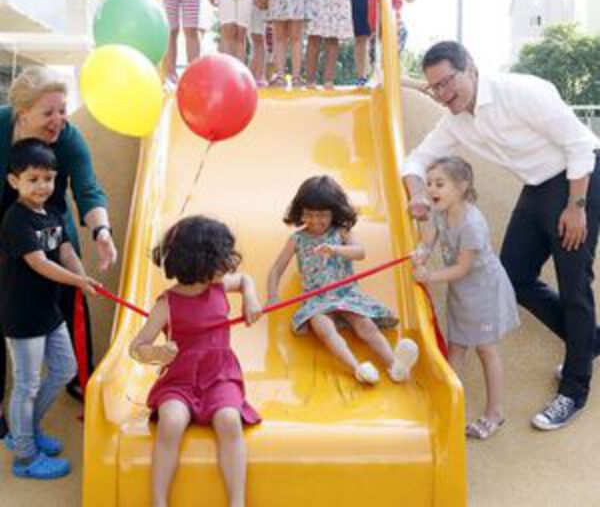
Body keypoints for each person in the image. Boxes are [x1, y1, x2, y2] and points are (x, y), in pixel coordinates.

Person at [402, 40, 600, 431]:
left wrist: (576, 207)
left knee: (574, 284)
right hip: (537, 186)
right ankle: (588, 342)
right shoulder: (455, 120)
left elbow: (580, 144)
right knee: (514, 276)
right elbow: (416, 160)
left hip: (580, 178)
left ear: (470, 68)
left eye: (448, 82)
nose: (442, 94)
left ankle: (574, 390)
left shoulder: (522, 91)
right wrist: (418, 194)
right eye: (435, 87)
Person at [0, 67, 117, 436]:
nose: (59, 120)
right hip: (6, 228)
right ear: (22, 113)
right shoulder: (2, 127)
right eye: (48, 112)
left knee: (68, 301)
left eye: (63, 110)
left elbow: (88, 188)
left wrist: (101, 230)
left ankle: (79, 377)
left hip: (51, 229)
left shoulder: (67, 138)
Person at [129, 216, 262, 507]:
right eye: (221, 259)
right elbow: (136, 348)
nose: (229, 264)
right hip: (179, 381)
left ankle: (237, 501)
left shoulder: (219, 286)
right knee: (171, 422)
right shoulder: (166, 304)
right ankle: (158, 501)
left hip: (220, 376)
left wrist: (250, 299)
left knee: (229, 420)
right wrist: (157, 353)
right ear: (198, 262)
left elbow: (245, 281)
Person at [0, 140, 98, 479]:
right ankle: (25, 457)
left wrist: (83, 278)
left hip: (48, 311)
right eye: (33, 179)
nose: (42, 186)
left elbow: (66, 251)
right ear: (14, 181)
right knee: (27, 385)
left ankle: (25, 431)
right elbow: (39, 263)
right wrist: (77, 281)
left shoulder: (52, 213)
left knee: (64, 368)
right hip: (23, 315)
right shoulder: (16, 220)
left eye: (48, 178)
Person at [267, 175, 419, 384]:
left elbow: (360, 252)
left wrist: (335, 249)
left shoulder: (341, 232)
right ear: (300, 212)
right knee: (324, 329)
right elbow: (276, 269)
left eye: (322, 215)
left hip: (346, 294)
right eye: (309, 214)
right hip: (316, 299)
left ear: (334, 212)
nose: (315, 221)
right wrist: (272, 296)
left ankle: (394, 365)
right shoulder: (297, 239)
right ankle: (358, 368)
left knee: (365, 326)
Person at [412, 156, 519, 440]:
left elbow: (462, 268)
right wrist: (420, 254)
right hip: (461, 293)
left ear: (461, 187)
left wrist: (429, 276)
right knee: (456, 348)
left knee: (486, 349)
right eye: (429, 183)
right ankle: (449, 406)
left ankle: (494, 413)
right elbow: (428, 241)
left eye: (439, 184)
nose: (431, 189)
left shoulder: (472, 224)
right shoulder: (439, 211)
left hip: (484, 293)